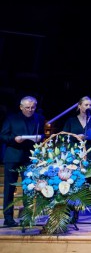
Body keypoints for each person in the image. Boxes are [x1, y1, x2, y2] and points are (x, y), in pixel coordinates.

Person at [1, 96, 45, 227]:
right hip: (13, 156)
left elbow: (42, 134)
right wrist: (14, 139)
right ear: (21, 107)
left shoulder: (39, 118)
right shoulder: (11, 118)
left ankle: (27, 217)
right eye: (27, 108)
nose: (30, 110)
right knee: (9, 188)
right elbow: (2, 135)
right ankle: (8, 218)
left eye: (32, 108)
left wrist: (40, 138)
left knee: (29, 188)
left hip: (29, 157)